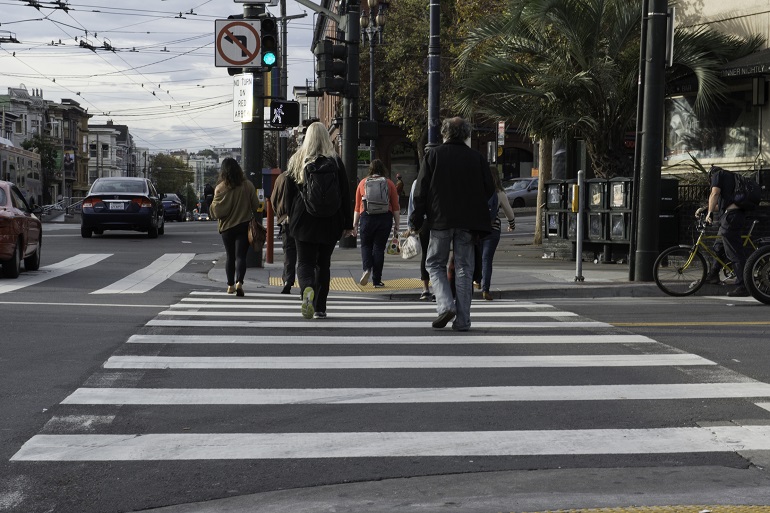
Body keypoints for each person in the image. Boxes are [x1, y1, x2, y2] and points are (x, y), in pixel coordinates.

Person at [410, 117, 494, 331]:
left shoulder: (434, 155)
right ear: (466, 134)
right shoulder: (477, 158)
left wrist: (416, 221)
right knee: (464, 268)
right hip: (468, 222)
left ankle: (446, 305)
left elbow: (420, 191)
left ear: (444, 133)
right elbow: (489, 189)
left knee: (435, 264)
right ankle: (463, 320)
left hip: (440, 220)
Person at [285, 122, 354, 319]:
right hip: (330, 220)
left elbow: (288, 195)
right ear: (325, 137)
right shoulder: (335, 161)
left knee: (305, 262)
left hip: (303, 220)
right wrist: (347, 224)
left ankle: (307, 289)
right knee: (324, 264)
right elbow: (344, 193)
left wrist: (291, 216)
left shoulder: (297, 160)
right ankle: (320, 308)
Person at [209, 158, 261, 297]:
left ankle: (230, 285)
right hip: (243, 225)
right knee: (241, 256)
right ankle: (240, 282)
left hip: (226, 228)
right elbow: (256, 205)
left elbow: (216, 211)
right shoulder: (247, 185)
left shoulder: (219, 188)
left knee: (229, 256)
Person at [353, 159, 400, 288]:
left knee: (366, 245)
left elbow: (357, 207)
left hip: (366, 217)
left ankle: (366, 268)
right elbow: (395, 206)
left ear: (370, 169)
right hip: (384, 218)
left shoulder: (362, 183)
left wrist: (355, 225)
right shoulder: (389, 183)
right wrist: (397, 225)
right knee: (379, 248)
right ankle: (377, 280)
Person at [704, 166, 749, 297]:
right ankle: (713, 275)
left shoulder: (718, 175)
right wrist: (705, 209)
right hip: (731, 215)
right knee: (719, 246)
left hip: (732, 217)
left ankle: (743, 285)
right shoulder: (730, 178)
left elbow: (715, 194)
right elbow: (722, 205)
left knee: (734, 252)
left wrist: (710, 213)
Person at [480, 167, 517, 300]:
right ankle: (486, 290)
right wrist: (512, 225)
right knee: (487, 260)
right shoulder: (499, 192)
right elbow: (509, 212)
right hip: (493, 230)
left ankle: (477, 281)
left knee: (476, 258)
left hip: (478, 229)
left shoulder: (478, 189)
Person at [270, 169, 297, 294]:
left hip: (286, 219)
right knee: (304, 252)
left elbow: (273, 199)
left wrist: (280, 214)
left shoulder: (281, 178)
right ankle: (306, 281)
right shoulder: (302, 175)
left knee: (289, 251)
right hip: (300, 219)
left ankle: (288, 279)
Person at [407, 179, 432, 300]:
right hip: (440, 222)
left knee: (426, 254)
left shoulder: (417, 182)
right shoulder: (440, 177)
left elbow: (412, 204)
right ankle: (439, 289)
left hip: (424, 222)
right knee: (440, 256)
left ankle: (426, 288)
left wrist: (411, 225)